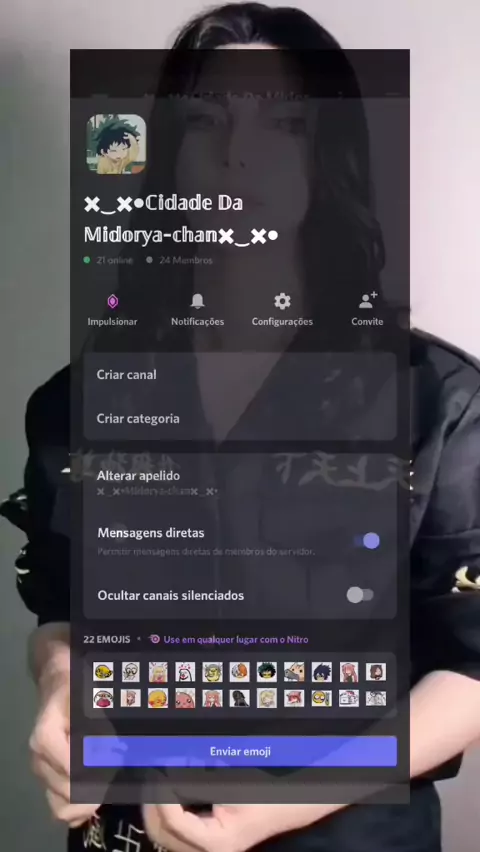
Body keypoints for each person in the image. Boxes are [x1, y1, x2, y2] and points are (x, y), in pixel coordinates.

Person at [2, 4, 480, 852]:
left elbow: (473, 662)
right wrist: (60, 683)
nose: (239, 154)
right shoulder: (80, 400)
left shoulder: (438, 400)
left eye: (284, 124)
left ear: (328, 156)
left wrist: (285, 804)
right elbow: (62, 603)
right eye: (206, 121)